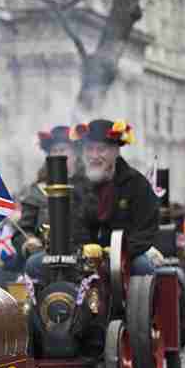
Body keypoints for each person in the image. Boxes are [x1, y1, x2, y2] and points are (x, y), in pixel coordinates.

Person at [75, 119, 158, 275]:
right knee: (35, 265)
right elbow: (71, 223)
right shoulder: (75, 184)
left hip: (126, 257)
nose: (94, 156)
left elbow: (145, 229)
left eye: (101, 149)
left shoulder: (136, 184)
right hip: (81, 257)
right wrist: (82, 247)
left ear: (116, 151)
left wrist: (118, 251)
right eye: (90, 149)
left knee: (142, 267)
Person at [18, 125, 95, 280]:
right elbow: (23, 229)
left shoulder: (89, 186)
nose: (59, 155)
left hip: (84, 253)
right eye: (54, 151)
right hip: (46, 256)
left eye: (63, 150)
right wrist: (29, 241)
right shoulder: (37, 191)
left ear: (75, 154)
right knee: (33, 264)